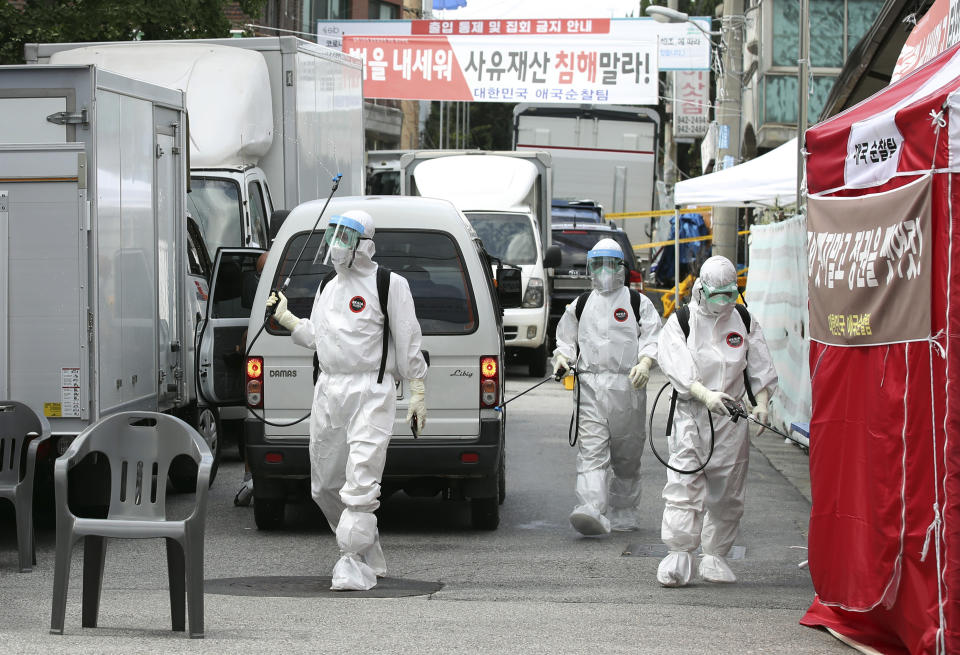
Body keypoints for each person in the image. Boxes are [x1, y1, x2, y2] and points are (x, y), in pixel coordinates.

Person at [266, 209, 428, 591]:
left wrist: (418, 389)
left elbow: (408, 341)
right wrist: (288, 319)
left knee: (360, 482)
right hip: (329, 390)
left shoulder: (390, 285)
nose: (336, 244)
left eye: (344, 237)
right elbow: (320, 337)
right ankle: (364, 544)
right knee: (323, 486)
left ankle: (351, 561)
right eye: (333, 235)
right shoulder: (328, 286)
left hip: (370, 391)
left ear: (363, 245)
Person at [655, 255, 778, 587]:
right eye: (717, 295)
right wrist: (704, 395)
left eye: (730, 294)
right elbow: (675, 366)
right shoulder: (681, 322)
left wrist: (762, 404)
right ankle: (679, 553)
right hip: (690, 416)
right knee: (683, 485)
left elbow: (759, 365)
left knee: (728, 490)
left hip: (731, 420)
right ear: (700, 291)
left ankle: (715, 554)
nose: (724, 302)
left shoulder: (743, 320)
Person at [552, 238, 662, 536]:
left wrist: (646, 362)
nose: (603, 271)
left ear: (620, 268)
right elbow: (566, 338)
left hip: (628, 387)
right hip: (590, 386)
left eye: (608, 264)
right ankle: (591, 508)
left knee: (627, 454)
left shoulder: (638, 302)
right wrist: (562, 359)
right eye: (597, 264)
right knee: (591, 450)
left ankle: (624, 511)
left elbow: (653, 336)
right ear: (590, 267)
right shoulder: (582, 303)